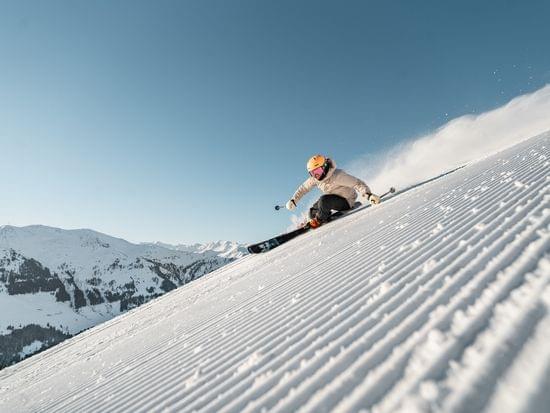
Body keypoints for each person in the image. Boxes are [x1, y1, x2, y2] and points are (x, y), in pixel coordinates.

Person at [286, 154, 380, 228]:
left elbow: (357, 183)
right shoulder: (315, 179)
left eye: (317, 171)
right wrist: (294, 200)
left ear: (324, 166)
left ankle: (319, 220)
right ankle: (311, 220)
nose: (316, 175)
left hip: (346, 201)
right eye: (312, 173)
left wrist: (369, 195)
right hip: (331, 199)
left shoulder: (338, 176)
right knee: (312, 211)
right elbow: (304, 188)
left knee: (324, 201)